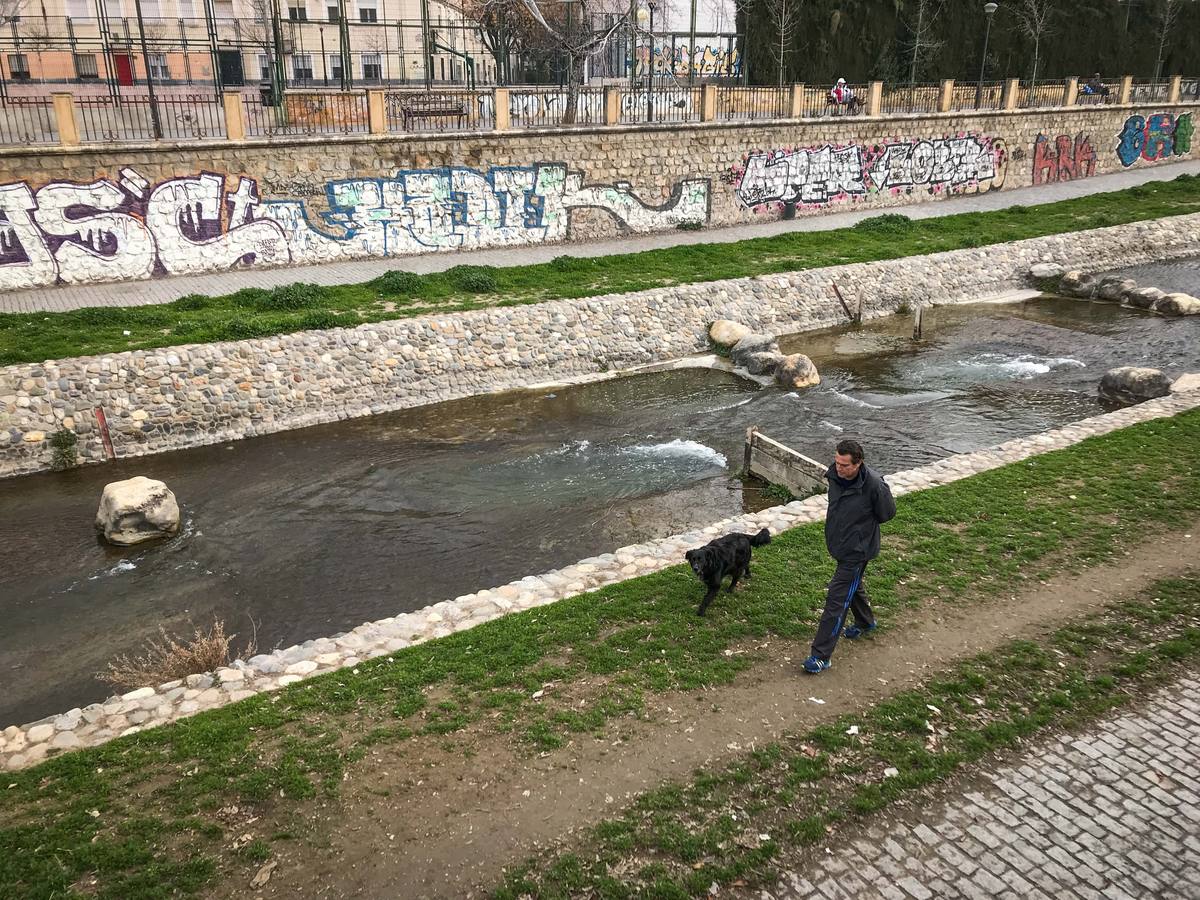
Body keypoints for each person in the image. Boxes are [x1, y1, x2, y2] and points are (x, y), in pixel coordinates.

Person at [803, 439, 896, 674]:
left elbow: (887, 513)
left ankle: (821, 655)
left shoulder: (874, 484)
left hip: (858, 550)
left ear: (859, 463)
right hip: (839, 543)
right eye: (837, 463)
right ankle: (866, 622)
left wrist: (859, 530)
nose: (839, 469)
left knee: (837, 596)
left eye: (845, 465)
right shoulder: (835, 475)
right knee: (853, 586)